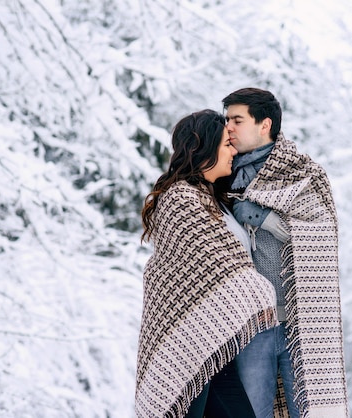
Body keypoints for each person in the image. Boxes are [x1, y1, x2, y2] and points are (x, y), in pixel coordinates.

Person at [135, 109, 278, 417]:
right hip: (187, 348)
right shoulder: (180, 199)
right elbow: (213, 264)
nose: (233, 151)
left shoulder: (212, 200)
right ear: (205, 148)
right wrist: (259, 292)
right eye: (226, 144)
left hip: (216, 345)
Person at [222, 88, 350, 418]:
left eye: (237, 120)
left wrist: (261, 215)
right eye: (226, 121)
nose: (229, 128)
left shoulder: (303, 173)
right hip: (250, 328)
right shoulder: (221, 174)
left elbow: (321, 234)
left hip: (301, 326)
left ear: (264, 125)